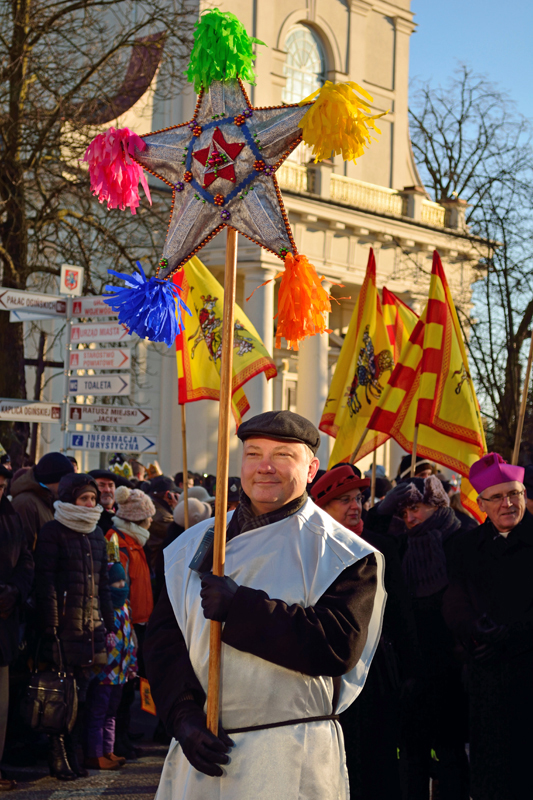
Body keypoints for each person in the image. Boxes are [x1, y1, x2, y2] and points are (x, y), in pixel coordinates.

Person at [144, 410, 385, 800]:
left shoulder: (344, 554)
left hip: (292, 754)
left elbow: (337, 646)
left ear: (311, 469)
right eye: (254, 454)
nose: (265, 467)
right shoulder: (190, 545)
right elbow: (164, 644)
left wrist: (241, 609)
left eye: (283, 455)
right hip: (203, 754)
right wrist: (183, 716)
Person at [312, 465, 419, 800]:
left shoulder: (382, 547)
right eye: (343, 500)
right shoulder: (310, 550)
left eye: (358, 498)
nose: (356, 505)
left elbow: (402, 615)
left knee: (378, 764)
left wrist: (411, 671)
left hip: (377, 676)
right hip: (327, 676)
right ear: (322, 508)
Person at [373, 475, 469, 800]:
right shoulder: (400, 543)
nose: (409, 518)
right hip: (412, 671)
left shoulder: (461, 536)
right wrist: (382, 510)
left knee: (451, 755)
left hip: (453, 669)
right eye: (403, 513)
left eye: (415, 508)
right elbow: (366, 536)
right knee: (413, 759)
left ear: (437, 504)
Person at [443, 453, 533, 800]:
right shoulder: (465, 546)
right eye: (497, 497)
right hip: (487, 676)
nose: (508, 503)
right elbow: (453, 600)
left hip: (528, 670)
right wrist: (473, 628)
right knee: (491, 774)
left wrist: (513, 634)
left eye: (514, 494)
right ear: (481, 503)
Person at [34, 473, 113, 781]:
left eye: (93, 499)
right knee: (62, 695)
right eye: (84, 499)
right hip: (64, 627)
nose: (91, 503)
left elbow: (102, 582)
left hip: (90, 628)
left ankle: (76, 754)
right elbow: (47, 584)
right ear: (69, 499)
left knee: (84, 693)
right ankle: (58, 756)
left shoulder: (96, 533)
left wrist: (107, 621)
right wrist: (51, 626)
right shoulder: (54, 531)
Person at [105, 486, 155, 759]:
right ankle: (116, 740)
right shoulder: (116, 541)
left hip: (139, 621)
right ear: (137, 519)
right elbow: (117, 584)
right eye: (148, 517)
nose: (151, 522)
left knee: (129, 684)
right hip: (125, 621)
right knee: (120, 687)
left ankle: (122, 733)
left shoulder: (135, 541)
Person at [0, 466, 34, 791]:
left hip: (4, 623)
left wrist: (14, 591)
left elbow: (25, 558)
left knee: (1, 706)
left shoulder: (10, 515)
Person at [85, 560, 136, 770]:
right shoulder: (104, 609)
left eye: (124, 581)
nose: (121, 585)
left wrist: (132, 664)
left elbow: (130, 640)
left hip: (120, 671)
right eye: (117, 582)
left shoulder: (125, 608)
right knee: (98, 712)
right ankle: (94, 753)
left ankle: (108, 749)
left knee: (111, 713)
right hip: (104, 672)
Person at [11, 452, 74, 549]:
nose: (70, 486)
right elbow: (24, 550)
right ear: (56, 480)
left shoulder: (50, 500)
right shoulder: (26, 503)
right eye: (67, 481)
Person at [146, 477, 180, 573]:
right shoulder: (163, 517)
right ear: (168, 494)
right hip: (158, 566)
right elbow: (178, 532)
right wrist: (178, 510)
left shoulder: (151, 507)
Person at [89, 470, 118, 535]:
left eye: (110, 485)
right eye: (102, 485)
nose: (107, 490)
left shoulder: (124, 513)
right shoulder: (90, 517)